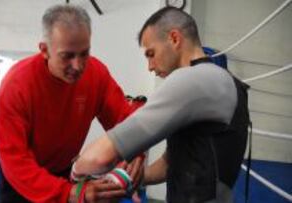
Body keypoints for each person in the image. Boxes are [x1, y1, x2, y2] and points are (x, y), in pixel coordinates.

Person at [73, 6, 250, 203]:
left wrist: (74, 174)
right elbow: (171, 163)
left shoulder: (193, 79)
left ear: (174, 39)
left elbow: (100, 157)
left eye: (151, 53)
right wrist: (127, 180)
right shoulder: (221, 81)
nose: (150, 66)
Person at [0, 5, 145, 203]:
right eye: (68, 56)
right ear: (45, 50)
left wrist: (135, 151)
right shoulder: (16, 85)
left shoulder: (96, 74)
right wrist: (70, 194)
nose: (78, 65)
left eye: (84, 53)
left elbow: (123, 119)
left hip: (64, 170)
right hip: (21, 179)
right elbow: (15, 160)